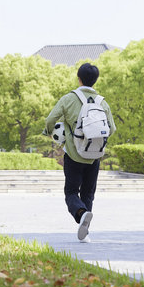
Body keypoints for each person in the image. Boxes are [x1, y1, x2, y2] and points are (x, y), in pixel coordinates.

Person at [44, 62, 116, 243]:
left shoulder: (69, 99)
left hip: (74, 154)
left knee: (71, 192)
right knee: (88, 194)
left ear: (79, 78)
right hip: (95, 156)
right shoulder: (102, 102)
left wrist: (49, 132)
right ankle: (85, 231)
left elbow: (50, 119)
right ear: (95, 80)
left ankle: (81, 214)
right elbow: (112, 129)